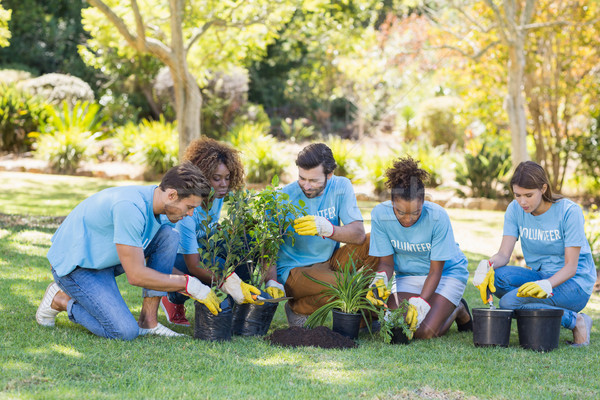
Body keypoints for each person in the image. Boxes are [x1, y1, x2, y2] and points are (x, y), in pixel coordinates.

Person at [35, 162, 258, 340]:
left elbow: (160, 266)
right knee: (123, 331)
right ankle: (61, 300)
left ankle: (148, 322)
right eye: (189, 207)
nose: (190, 214)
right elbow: (137, 275)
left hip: (106, 258)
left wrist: (224, 282)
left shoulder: (162, 208)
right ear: (172, 195)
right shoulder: (130, 208)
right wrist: (190, 285)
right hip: (77, 267)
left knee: (170, 237)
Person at [473, 161, 595, 346]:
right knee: (496, 279)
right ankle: (537, 309)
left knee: (508, 304)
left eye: (528, 195)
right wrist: (486, 265)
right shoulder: (515, 209)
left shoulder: (569, 212)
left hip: (574, 283)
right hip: (540, 275)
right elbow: (504, 254)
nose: (522, 201)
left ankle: (576, 321)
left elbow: (571, 267)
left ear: (543, 188)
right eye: (517, 195)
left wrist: (547, 284)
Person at [271, 142, 378, 327]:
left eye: (314, 180)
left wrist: (328, 229)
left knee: (374, 241)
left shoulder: (341, 186)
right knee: (345, 286)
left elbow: (358, 235)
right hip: (295, 270)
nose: (306, 185)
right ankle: (299, 308)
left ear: (330, 175)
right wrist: (272, 281)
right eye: (302, 178)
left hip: (329, 261)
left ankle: (363, 317)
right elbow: (267, 246)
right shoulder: (283, 197)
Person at [367, 156, 472, 339]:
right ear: (392, 203)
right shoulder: (380, 215)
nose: (408, 219)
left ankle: (458, 309)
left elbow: (435, 271)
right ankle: (438, 306)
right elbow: (386, 264)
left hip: (447, 274)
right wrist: (380, 280)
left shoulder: (437, 217)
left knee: (424, 331)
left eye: (415, 213)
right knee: (394, 322)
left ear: (423, 202)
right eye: (400, 212)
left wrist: (421, 302)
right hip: (408, 275)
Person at [160, 138, 262, 326]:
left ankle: (238, 303)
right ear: (202, 177)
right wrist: (231, 282)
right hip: (174, 259)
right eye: (216, 178)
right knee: (212, 262)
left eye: (227, 177)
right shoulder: (187, 212)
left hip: (200, 248)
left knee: (246, 241)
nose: (224, 184)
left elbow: (244, 213)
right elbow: (194, 266)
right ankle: (172, 298)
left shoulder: (218, 195)